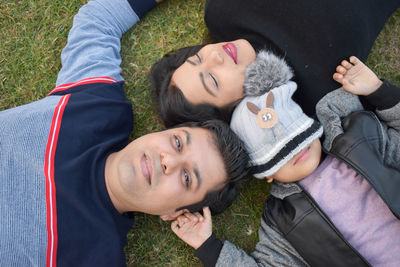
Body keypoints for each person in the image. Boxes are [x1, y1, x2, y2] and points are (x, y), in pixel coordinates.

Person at [0, 0, 249, 266]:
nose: (168, 161)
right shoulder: (98, 106)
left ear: (175, 213)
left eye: (187, 177)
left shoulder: (98, 258)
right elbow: (99, 21)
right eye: (177, 143)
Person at [170, 56, 400, 266]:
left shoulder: (360, 137)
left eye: (300, 138)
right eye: (281, 155)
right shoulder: (283, 223)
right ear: (267, 175)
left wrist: (379, 91)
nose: (297, 151)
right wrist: (209, 247)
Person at [150, 0, 399, 126]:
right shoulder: (313, 102)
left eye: (198, 58)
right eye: (213, 79)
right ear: (237, 111)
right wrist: (378, 89)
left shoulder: (222, 11)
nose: (214, 56)